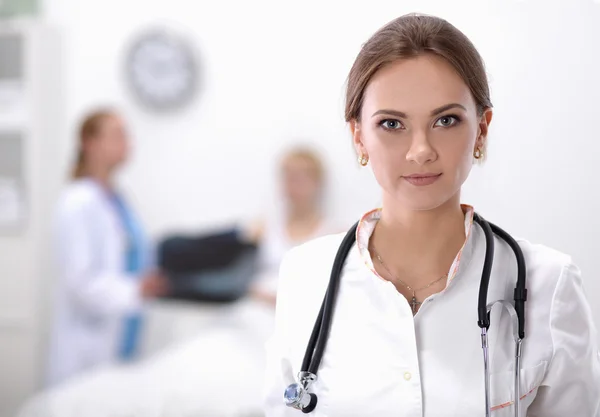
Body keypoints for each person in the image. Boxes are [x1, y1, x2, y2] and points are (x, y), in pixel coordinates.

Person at [264, 14, 600, 416]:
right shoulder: (305, 277)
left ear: (481, 129)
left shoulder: (550, 284)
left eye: (446, 120)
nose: (420, 150)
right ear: (358, 136)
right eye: (391, 123)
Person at [46, 108, 168, 387]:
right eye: (117, 134)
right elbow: (79, 282)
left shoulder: (116, 199)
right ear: (89, 144)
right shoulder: (78, 201)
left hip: (122, 340)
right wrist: (136, 290)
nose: (128, 142)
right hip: (87, 347)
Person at [247, 147, 340, 307]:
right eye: (288, 177)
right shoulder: (261, 228)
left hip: (304, 313)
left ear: (317, 182)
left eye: (301, 178)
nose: (293, 185)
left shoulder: (335, 234)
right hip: (257, 310)